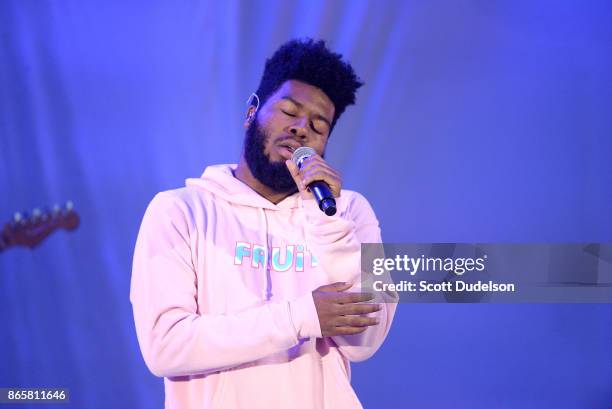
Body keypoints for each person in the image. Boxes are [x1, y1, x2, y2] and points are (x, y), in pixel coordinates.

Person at [130, 38, 397, 409]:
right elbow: (166, 345)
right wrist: (301, 316)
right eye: (289, 111)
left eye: (318, 126)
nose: (302, 129)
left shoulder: (349, 211)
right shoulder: (180, 210)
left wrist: (326, 219)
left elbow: (364, 342)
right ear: (252, 111)